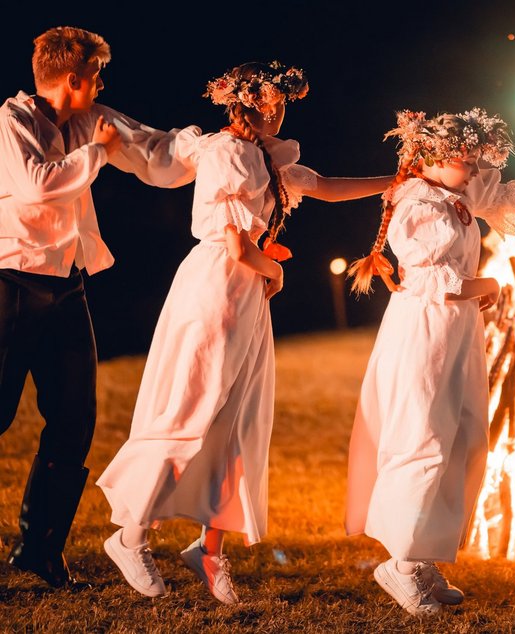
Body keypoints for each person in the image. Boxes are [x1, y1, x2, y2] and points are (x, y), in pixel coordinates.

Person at [96, 61, 392, 604]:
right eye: (268, 104)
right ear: (242, 104)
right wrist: (274, 269)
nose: (276, 113)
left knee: (238, 417)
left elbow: (322, 185)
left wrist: (394, 182)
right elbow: (235, 243)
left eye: (282, 106)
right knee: (191, 407)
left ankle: (210, 549)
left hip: (247, 295)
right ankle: (130, 535)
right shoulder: (227, 153)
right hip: (218, 285)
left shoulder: (267, 158)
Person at [345, 108, 515, 616]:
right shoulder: (416, 203)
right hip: (425, 332)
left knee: (462, 436)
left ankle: (423, 554)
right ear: (432, 158)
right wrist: (485, 285)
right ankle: (401, 563)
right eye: (467, 161)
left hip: (457, 331)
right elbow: (424, 280)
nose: (475, 171)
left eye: (475, 161)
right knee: (424, 437)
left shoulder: (459, 192)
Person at [0, 26, 201, 588]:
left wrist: (214, 151)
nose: (103, 84)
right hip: (11, 281)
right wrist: (98, 152)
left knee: (74, 418)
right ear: (74, 79)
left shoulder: (93, 118)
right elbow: (39, 185)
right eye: (97, 75)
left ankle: (38, 551)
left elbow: (153, 149)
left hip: (67, 284)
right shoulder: (12, 121)